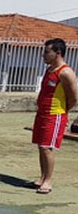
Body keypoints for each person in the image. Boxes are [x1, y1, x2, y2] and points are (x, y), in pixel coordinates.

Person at [31, 38, 78, 194]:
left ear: (58, 53)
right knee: (40, 146)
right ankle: (42, 177)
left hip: (54, 115)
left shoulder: (65, 72)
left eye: (46, 52)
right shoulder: (49, 69)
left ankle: (48, 181)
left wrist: (63, 112)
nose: (43, 55)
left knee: (47, 148)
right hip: (42, 114)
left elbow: (73, 98)